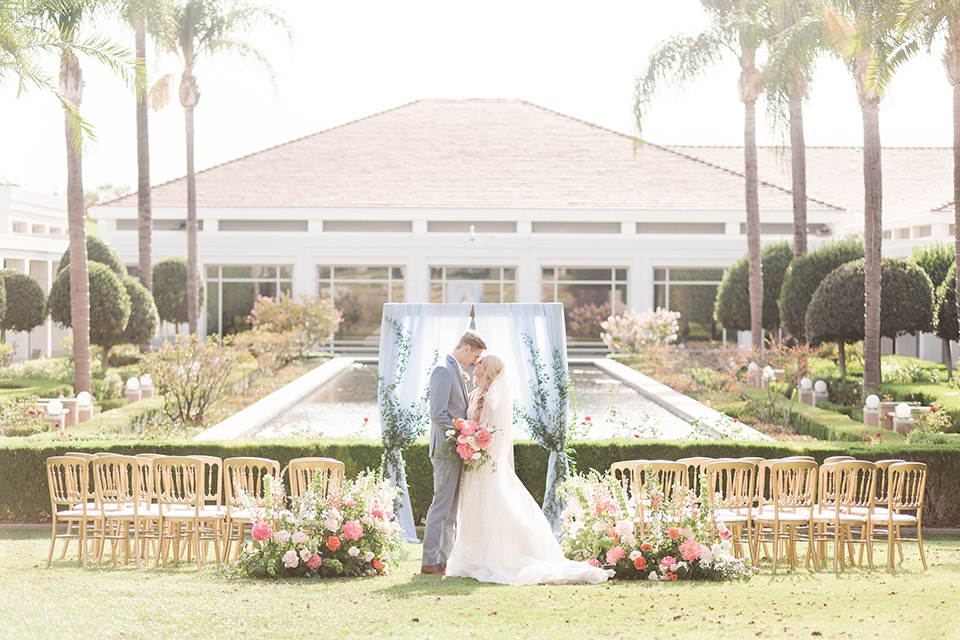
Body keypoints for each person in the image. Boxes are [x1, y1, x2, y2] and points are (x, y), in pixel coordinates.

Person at [444, 353, 611, 585]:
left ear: (489, 369)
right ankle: (473, 554)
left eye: (479, 364)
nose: (475, 365)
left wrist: (473, 444)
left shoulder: (493, 398)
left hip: (484, 463)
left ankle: (503, 552)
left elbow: (491, 433)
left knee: (492, 504)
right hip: (473, 462)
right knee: (477, 506)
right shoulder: (477, 393)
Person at [421, 329, 487, 575]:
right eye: (475, 356)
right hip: (446, 450)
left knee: (451, 509)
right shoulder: (442, 369)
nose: (474, 362)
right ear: (466, 347)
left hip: (456, 450)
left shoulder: (456, 369)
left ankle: (444, 560)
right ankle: (429, 562)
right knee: (441, 506)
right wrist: (464, 435)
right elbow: (438, 415)